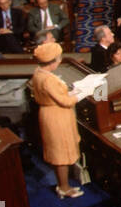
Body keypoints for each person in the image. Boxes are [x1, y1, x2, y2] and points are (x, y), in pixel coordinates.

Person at [29, 42, 84, 198]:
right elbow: (65, 102)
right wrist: (81, 93)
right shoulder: (48, 80)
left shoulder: (38, 73)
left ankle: (63, 184)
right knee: (61, 154)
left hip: (51, 114)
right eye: (58, 59)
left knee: (59, 152)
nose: (60, 61)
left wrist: (71, 92)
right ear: (51, 62)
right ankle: (64, 188)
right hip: (57, 118)